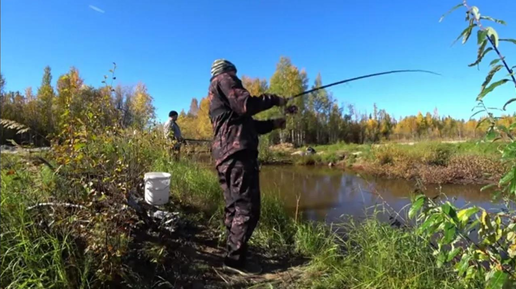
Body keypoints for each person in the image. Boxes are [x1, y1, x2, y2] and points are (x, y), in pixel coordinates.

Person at [207, 59, 291, 275]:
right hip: (237, 155)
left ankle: (235, 253)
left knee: (233, 208)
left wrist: (273, 123)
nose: (238, 79)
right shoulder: (224, 79)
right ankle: (234, 261)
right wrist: (275, 99)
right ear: (229, 71)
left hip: (225, 156)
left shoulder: (216, 96)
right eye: (236, 75)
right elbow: (246, 104)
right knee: (248, 208)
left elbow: (247, 124)